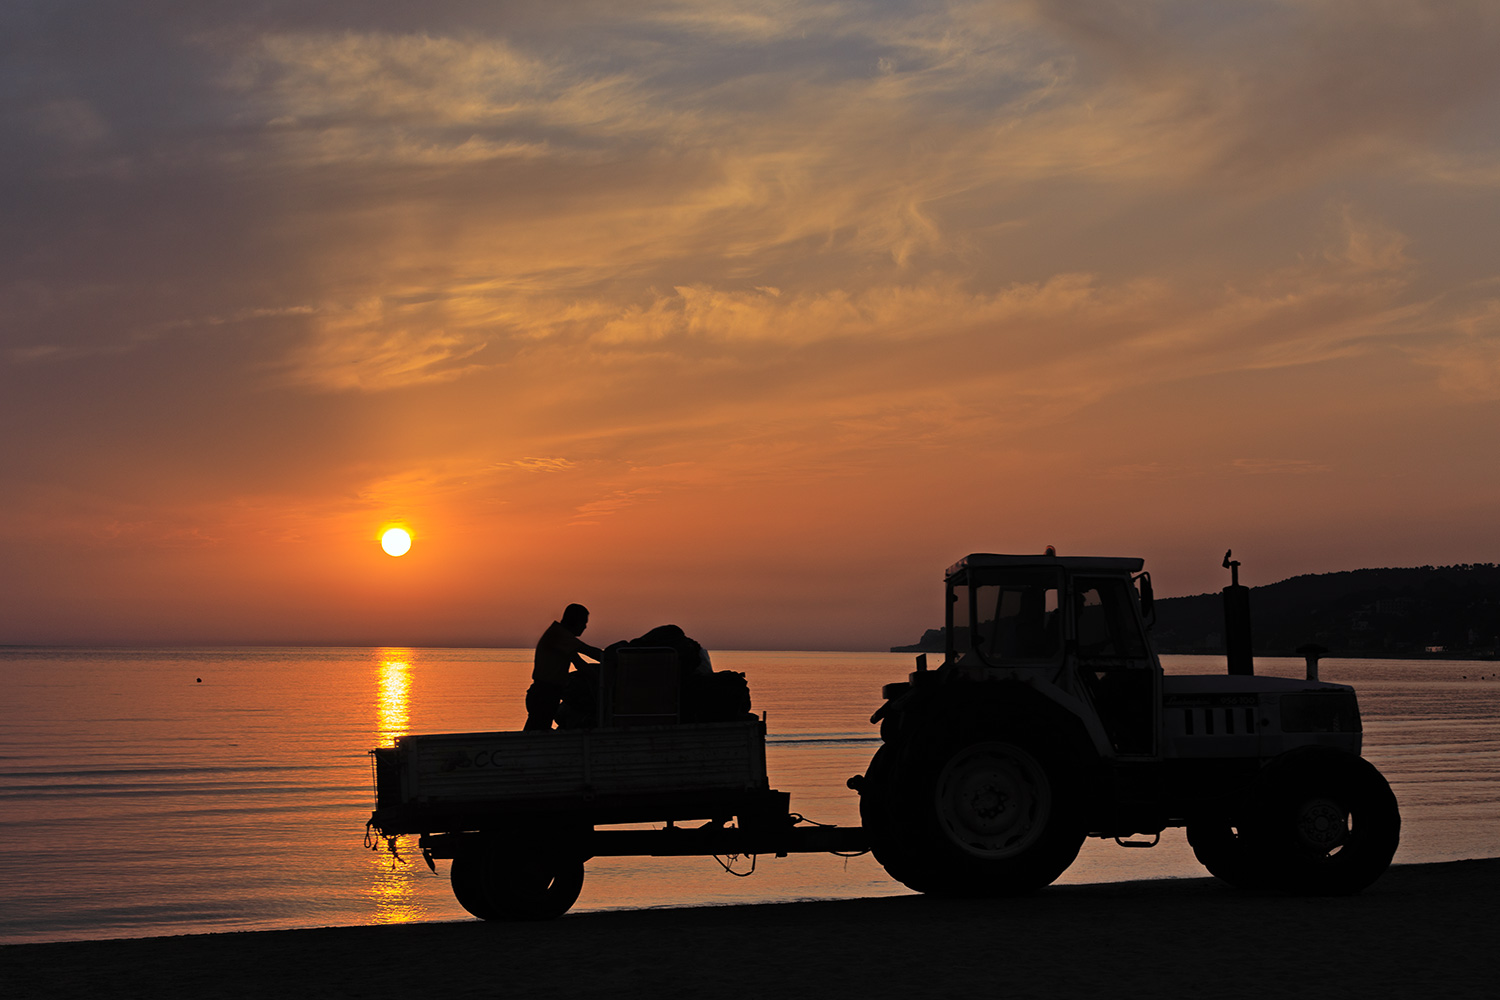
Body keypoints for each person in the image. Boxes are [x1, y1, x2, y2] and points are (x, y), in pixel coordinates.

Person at [524, 604, 604, 731]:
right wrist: (617, 659)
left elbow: (579, 664)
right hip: (544, 694)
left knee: (536, 733)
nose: (585, 627)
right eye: (584, 622)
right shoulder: (559, 635)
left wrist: (599, 679)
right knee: (536, 736)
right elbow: (589, 652)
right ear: (575, 621)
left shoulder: (563, 640)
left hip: (547, 694)